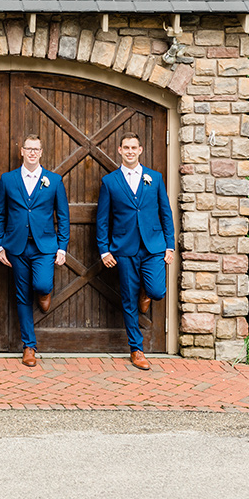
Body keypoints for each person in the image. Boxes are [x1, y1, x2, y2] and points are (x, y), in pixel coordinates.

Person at [96, 131, 175, 370]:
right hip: (124, 247)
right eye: (126, 148)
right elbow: (102, 219)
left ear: (140, 150)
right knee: (128, 300)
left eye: (134, 147)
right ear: (119, 150)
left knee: (157, 291)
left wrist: (170, 245)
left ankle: (147, 291)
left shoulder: (155, 178)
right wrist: (104, 250)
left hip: (153, 246)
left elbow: (165, 213)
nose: (130, 151)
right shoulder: (109, 182)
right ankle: (136, 349)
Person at [0, 135, 70, 367]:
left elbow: (63, 216)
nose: (33, 153)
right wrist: (0, 246)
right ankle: (29, 346)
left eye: (36, 149)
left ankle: (44, 293)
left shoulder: (54, 181)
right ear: (22, 152)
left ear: (41, 152)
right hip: (16, 246)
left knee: (42, 284)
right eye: (29, 149)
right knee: (22, 296)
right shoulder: (7, 180)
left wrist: (62, 247)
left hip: (44, 246)